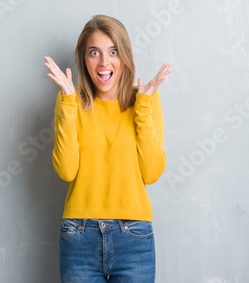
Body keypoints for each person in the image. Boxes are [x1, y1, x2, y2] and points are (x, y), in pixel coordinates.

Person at [43, 15, 171, 282]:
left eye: (113, 51)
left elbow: (152, 173)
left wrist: (144, 107)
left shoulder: (145, 100)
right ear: (84, 59)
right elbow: (67, 171)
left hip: (134, 237)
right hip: (79, 236)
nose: (104, 62)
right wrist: (68, 104)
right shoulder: (69, 100)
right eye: (94, 53)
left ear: (124, 56)